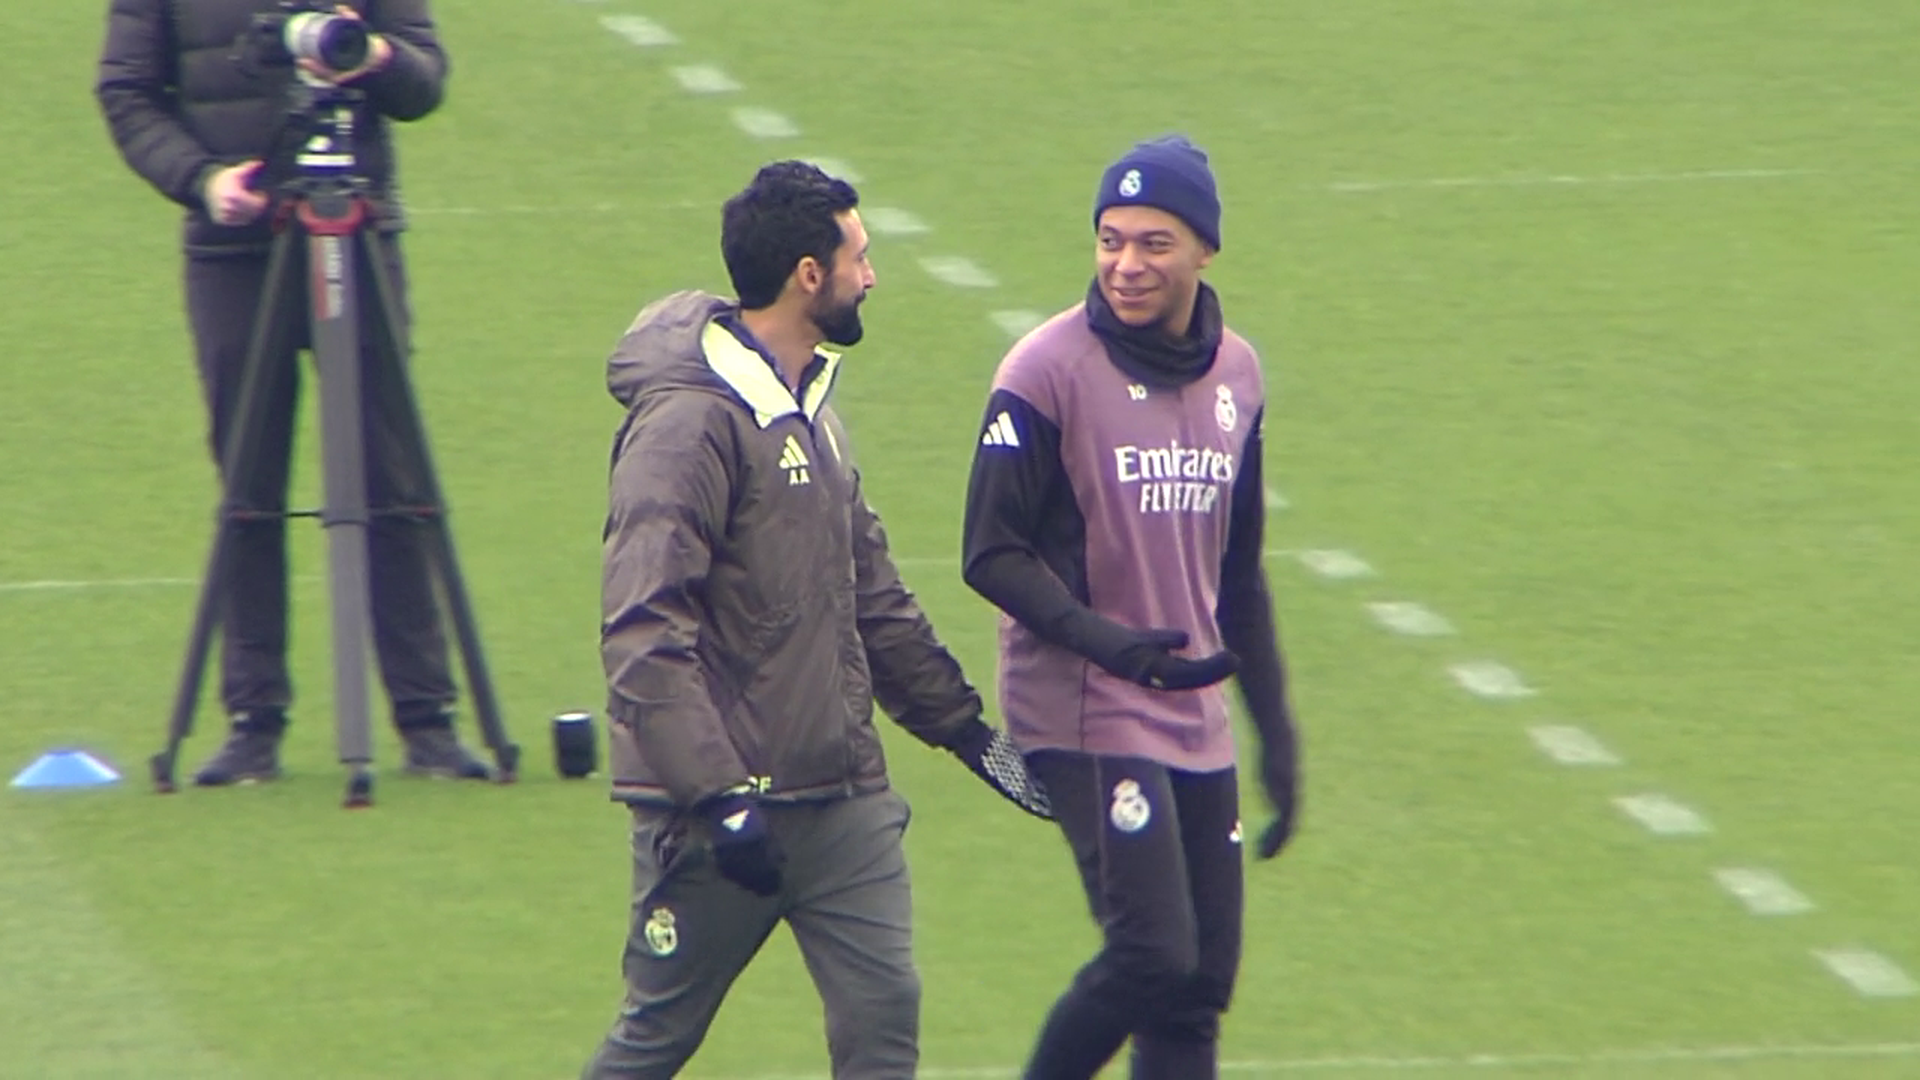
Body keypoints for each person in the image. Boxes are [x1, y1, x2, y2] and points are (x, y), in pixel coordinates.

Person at [584, 160, 1052, 1079]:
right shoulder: (687, 427)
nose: (870, 276)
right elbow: (642, 630)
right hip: (720, 817)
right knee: (654, 1043)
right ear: (809, 275)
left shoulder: (811, 409)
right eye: (858, 258)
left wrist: (969, 736)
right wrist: (719, 799)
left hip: (842, 799)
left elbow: (871, 596)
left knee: (884, 1020)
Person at [960, 134, 1302, 1079]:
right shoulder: (1043, 372)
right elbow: (989, 553)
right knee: (1152, 952)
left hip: (1191, 709)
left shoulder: (1238, 376)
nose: (1126, 264)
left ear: (1205, 250)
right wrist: (1111, 647)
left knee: (1198, 988)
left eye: (1155, 243)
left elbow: (1240, 574)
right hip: (1083, 705)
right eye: (1111, 240)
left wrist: (1276, 735)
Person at [95, 0, 490, 783]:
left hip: (356, 225)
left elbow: (424, 80)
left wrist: (373, 57)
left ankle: (427, 718)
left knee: (389, 473)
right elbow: (127, 89)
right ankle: (254, 720)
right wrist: (201, 179)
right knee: (249, 480)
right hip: (231, 250)